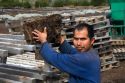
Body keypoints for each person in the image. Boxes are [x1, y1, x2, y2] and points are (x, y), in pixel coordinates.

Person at [32, 23, 101, 83]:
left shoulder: (83, 59)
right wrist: (61, 40)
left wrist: (43, 41)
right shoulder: (91, 53)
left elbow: (54, 58)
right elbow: (72, 51)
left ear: (92, 41)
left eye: (83, 39)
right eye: (76, 39)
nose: (78, 43)